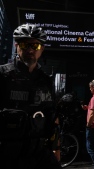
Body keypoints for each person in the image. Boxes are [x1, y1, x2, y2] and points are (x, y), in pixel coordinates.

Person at [0, 23, 62, 168]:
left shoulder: (46, 81)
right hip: (6, 154)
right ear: (17, 46)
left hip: (38, 153)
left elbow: (52, 116)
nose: (30, 50)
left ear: (42, 50)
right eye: (24, 45)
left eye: (35, 46)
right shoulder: (3, 75)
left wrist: (56, 147)